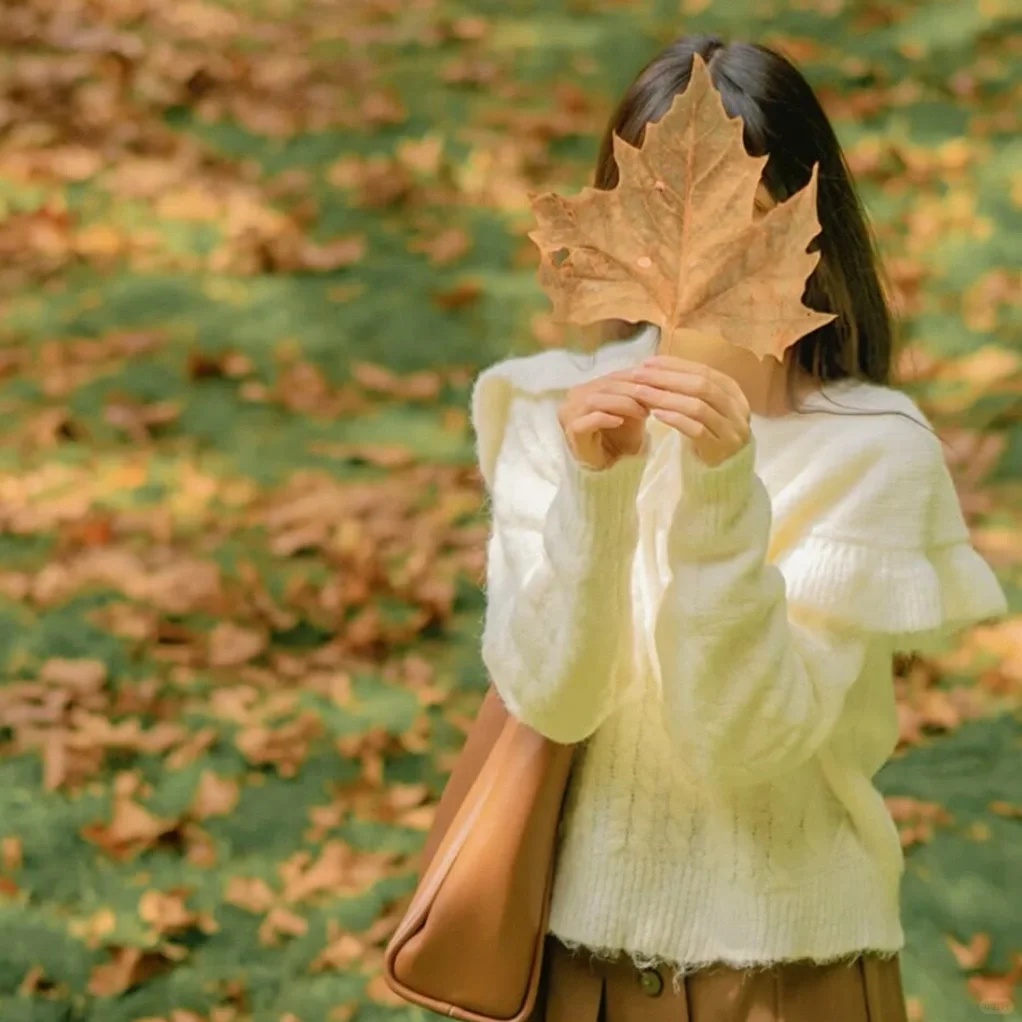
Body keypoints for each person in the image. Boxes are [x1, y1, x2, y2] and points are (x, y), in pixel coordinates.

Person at [468, 34, 1008, 1022]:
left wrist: (720, 495)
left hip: (789, 970)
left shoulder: (870, 452)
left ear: (805, 238)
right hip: (574, 970)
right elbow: (550, 696)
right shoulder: (546, 406)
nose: (696, 270)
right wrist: (593, 492)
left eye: (738, 233)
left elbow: (747, 741)